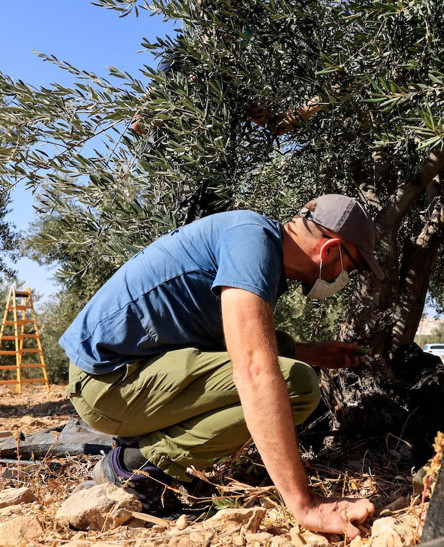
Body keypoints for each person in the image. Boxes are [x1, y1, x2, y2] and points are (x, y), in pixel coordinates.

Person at [60, 194, 383, 537]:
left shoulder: (256, 241)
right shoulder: (252, 242)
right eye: (352, 266)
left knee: (294, 373)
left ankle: (148, 450)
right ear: (331, 248)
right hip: (108, 385)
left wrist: (308, 351)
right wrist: (306, 505)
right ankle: (138, 468)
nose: (345, 276)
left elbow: (227, 336)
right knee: (297, 385)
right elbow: (255, 369)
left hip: (121, 379)